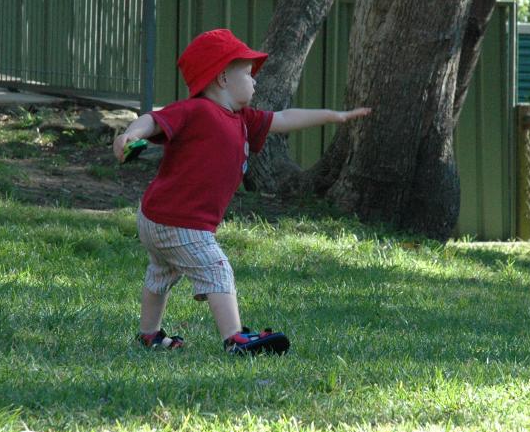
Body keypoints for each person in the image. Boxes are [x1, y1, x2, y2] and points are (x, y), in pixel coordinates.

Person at [112, 28, 371, 356]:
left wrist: (335, 116)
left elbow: (284, 118)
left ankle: (149, 334)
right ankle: (234, 338)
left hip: (159, 216)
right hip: (180, 221)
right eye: (249, 75)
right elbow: (152, 120)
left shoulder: (242, 119)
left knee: (162, 272)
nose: (255, 82)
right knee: (217, 270)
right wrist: (129, 135)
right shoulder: (196, 111)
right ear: (222, 78)